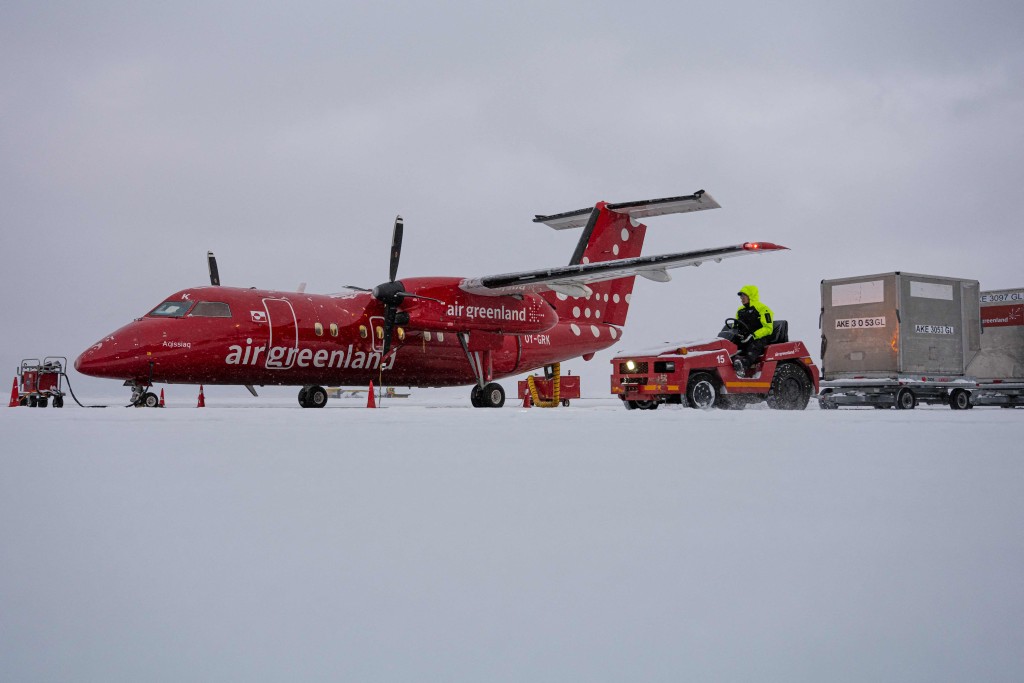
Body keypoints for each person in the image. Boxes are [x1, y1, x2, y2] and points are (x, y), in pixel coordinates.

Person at [732, 285, 774, 375]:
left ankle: (743, 366)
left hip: (759, 337)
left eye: (743, 296)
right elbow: (735, 326)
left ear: (751, 296)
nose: (741, 298)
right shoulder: (740, 310)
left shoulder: (763, 308)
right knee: (730, 344)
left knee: (753, 346)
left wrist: (754, 335)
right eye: (741, 297)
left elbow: (768, 328)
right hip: (744, 337)